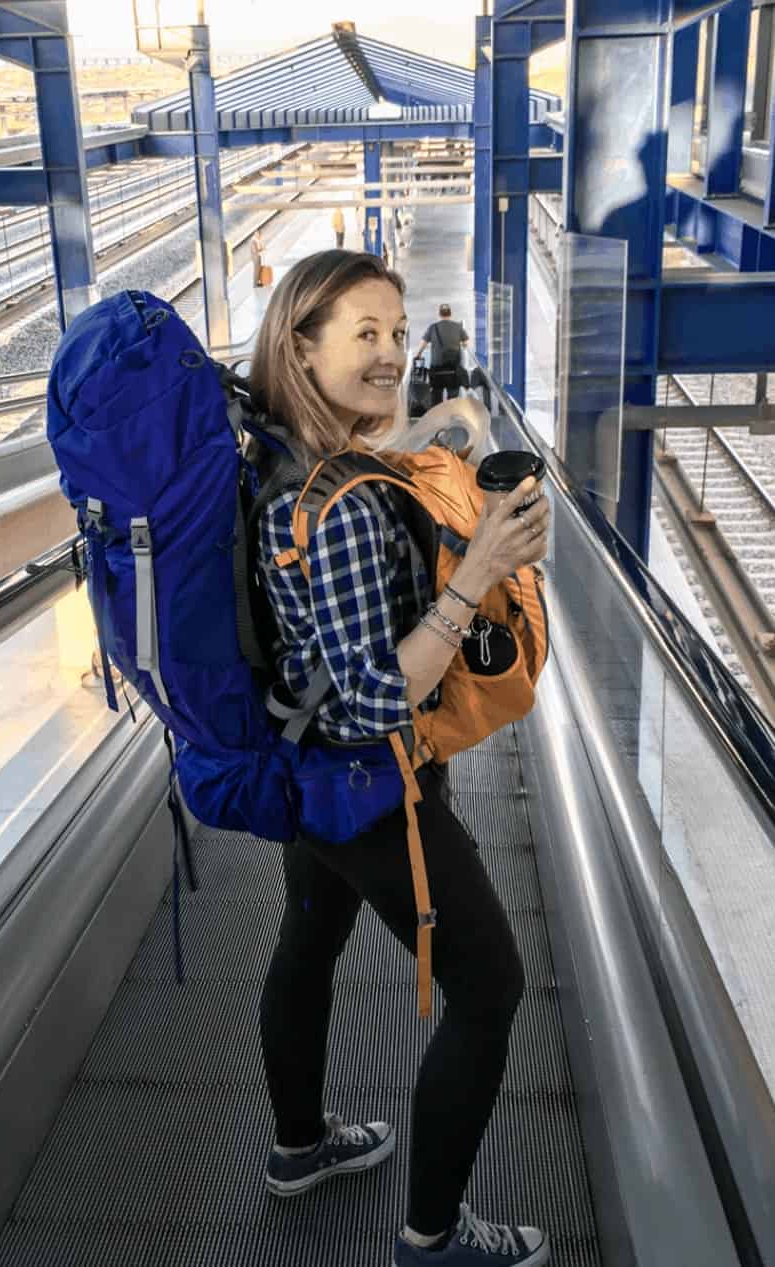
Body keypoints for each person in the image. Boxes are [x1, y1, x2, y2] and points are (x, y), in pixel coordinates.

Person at [248, 249, 552, 1267]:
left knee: (306, 945)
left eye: (395, 329)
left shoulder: (291, 453)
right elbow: (377, 697)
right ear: (301, 346)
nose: (390, 354)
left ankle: (298, 1149)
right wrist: (479, 575)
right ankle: (431, 1236)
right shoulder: (328, 505)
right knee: (490, 986)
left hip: (305, 770)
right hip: (367, 781)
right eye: (362, 335)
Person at [418, 303, 471, 405]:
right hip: (453, 369)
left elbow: (423, 344)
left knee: (436, 396)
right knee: (453, 397)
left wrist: (418, 354)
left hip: (437, 369)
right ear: (450, 314)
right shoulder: (458, 327)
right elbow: (465, 344)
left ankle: (437, 417)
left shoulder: (433, 327)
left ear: (440, 314)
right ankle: (451, 417)